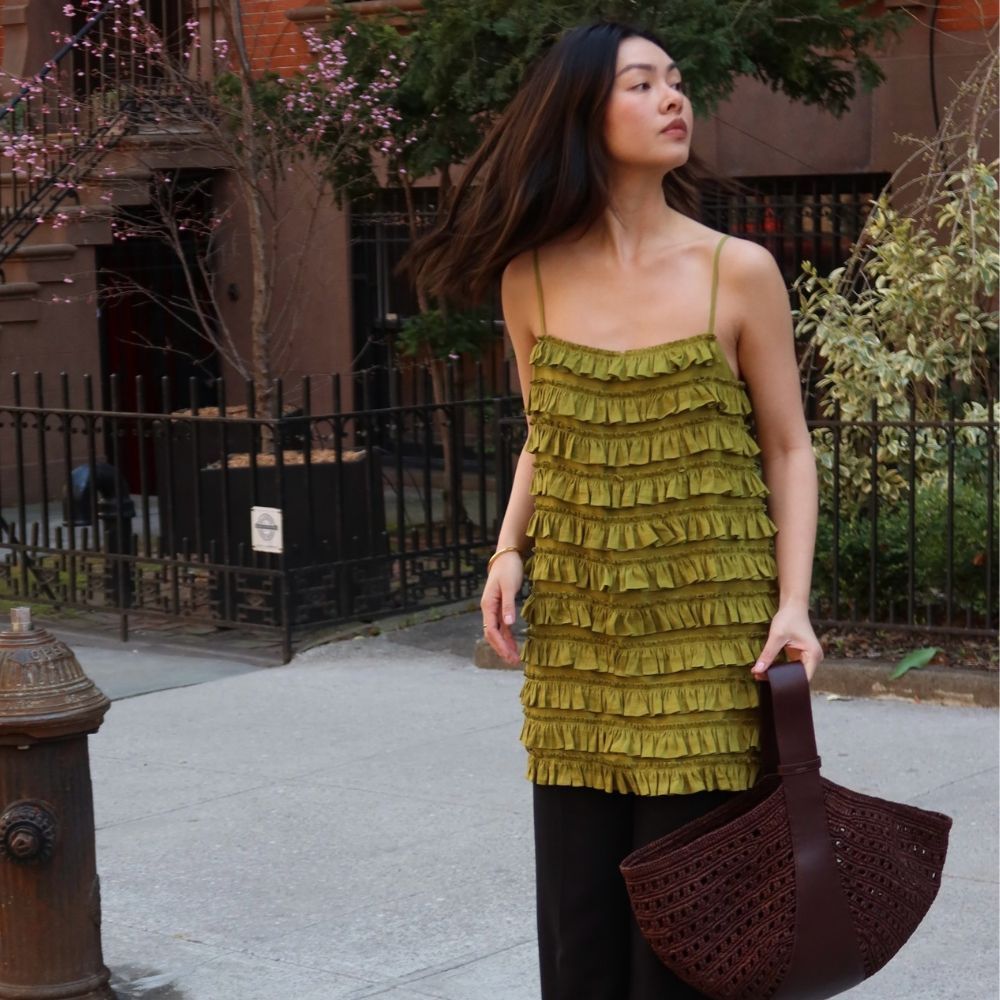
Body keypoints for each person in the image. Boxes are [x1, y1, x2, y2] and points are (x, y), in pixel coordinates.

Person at [403, 19, 823, 1000]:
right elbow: (545, 432)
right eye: (641, 83)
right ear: (582, 113)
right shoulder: (530, 279)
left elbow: (788, 447)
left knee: (691, 940)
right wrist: (507, 549)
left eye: (675, 80)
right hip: (580, 656)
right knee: (581, 937)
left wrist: (794, 603)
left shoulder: (736, 270)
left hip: (708, 653)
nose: (673, 97)